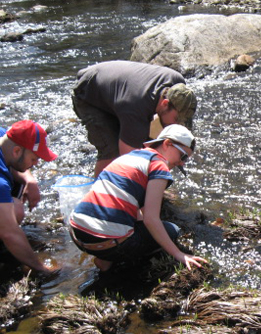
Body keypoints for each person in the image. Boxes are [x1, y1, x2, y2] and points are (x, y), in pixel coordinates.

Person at [69, 124, 207, 272]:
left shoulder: (130, 157)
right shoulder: (160, 166)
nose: (182, 163)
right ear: (167, 144)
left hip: (77, 232)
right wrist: (178, 254)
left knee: (124, 222)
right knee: (172, 230)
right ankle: (108, 259)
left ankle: (105, 260)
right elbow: (151, 219)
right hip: (108, 244)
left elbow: (130, 208)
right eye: (183, 156)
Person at [72, 60, 198, 177]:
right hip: (88, 94)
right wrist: (156, 184)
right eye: (177, 119)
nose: (178, 124)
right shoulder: (136, 107)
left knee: (150, 136)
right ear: (165, 103)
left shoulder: (178, 86)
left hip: (117, 92)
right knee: (111, 149)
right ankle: (98, 191)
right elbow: (130, 159)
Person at [0, 120, 58, 274]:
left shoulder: (4, 137)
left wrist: (29, 179)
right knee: (15, 212)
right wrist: (40, 268)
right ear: (17, 151)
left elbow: (14, 162)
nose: (36, 163)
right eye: (34, 159)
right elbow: (10, 233)